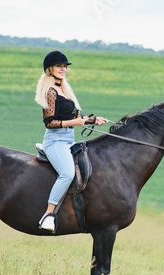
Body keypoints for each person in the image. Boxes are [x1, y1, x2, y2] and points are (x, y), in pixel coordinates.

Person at [35, 50, 106, 232]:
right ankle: (48, 215)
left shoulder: (65, 90)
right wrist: (75, 122)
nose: (63, 69)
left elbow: (74, 116)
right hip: (55, 141)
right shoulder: (50, 91)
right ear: (49, 69)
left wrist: (92, 120)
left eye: (65, 66)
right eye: (59, 66)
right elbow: (50, 123)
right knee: (67, 173)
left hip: (68, 140)